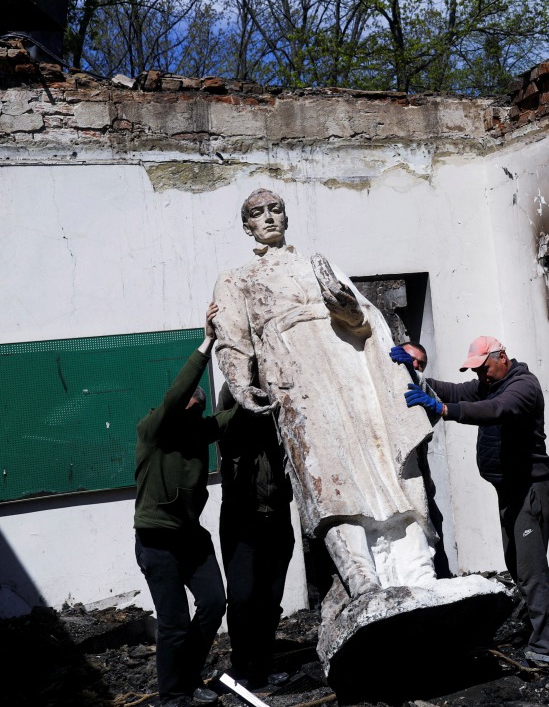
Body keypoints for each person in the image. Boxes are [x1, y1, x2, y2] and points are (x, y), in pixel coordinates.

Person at [211, 189, 438, 603]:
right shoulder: (236, 278)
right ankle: (361, 578)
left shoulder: (319, 265)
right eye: (258, 214)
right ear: (247, 227)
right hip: (297, 380)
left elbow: (365, 321)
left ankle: (418, 569)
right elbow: (232, 341)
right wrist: (241, 385)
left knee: (382, 465)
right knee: (329, 477)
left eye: (275, 209)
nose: (269, 218)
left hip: (348, 370)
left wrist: (347, 308)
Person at [397, 336, 549, 657]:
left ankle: (546, 647)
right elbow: (453, 390)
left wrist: (445, 410)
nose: (480, 377)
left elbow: (494, 410)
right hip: (510, 492)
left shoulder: (522, 386)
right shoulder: (490, 383)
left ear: (502, 357)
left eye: (484, 369)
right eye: (476, 372)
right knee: (517, 565)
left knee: (531, 571)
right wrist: (411, 374)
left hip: (530, 491)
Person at [133, 303, 233, 707]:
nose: (190, 411)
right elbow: (177, 396)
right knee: (173, 623)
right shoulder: (153, 430)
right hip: (157, 541)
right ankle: (172, 694)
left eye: (197, 408)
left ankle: (188, 675)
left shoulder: (198, 433)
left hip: (191, 539)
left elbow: (235, 416)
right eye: (185, 406)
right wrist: (207, 342)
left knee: (213, 603)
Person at [217, 395, 294, 691]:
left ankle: (262, 666)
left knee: (270, 597)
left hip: (276, 517)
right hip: (242, 519)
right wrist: (253, 394)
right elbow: (232, 401)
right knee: (242, 597)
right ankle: (241, 666)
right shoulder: (233, 411)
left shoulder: (279, 423)